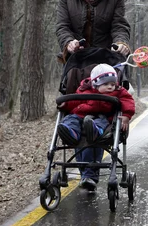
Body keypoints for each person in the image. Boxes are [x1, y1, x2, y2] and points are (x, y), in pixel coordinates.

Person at [57, 63, 136, 191]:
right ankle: (70, 131)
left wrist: (126, 115)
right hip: (80, 116)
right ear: (95, 84)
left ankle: (96, 131)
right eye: (106, 84)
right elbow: (74, 101)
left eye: (112, 83)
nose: (110, 86)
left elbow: (128, 101)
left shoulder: (117, 92)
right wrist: (64, 104)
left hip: (101, 118)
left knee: (99, 124)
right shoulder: (85, 90)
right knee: (71, 119)